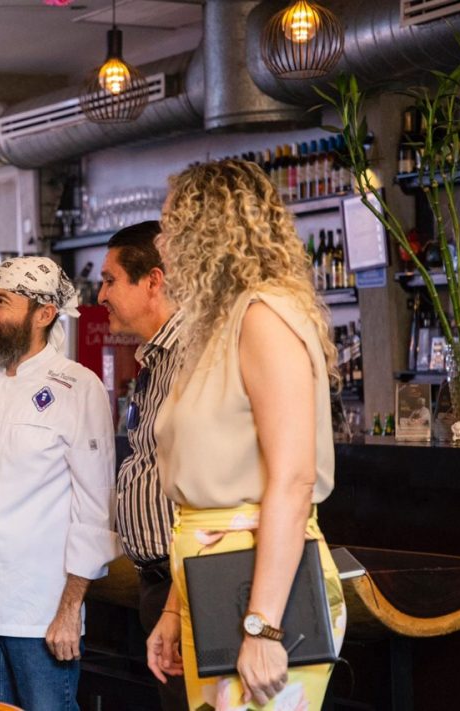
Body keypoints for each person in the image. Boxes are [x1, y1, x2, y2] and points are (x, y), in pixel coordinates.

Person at [147, 159, 346, 710]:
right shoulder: (219, 323)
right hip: (214, 585)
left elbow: (294, 479)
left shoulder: (263, 317)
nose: (162, 241)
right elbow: (207, 497)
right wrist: (174, 607)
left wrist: (263, 627)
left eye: (171, 225)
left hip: (260, 593)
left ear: (207, 231)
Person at [0, 256, 122, 711]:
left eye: (2, 302)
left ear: (43, 314)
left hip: (39, 614)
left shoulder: (78, 387)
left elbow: (95, 509)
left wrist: (70, 609)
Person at [96, 221, 188, 711]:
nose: (101, 295)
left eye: (110, 280)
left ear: (153, 281)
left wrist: (177, 599)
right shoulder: (155, 358)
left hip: (187, 584)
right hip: (158, 581)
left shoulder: (192, 354)